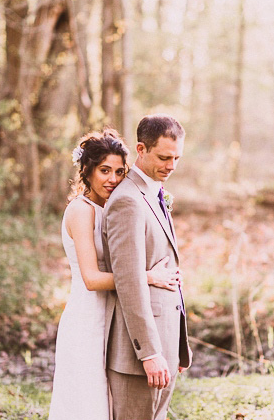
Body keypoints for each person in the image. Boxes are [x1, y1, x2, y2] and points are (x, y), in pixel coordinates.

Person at [48, 129, 180, 420]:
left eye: (120, 171)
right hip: (88, 319)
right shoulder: (81, 211)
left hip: (112, 318)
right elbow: (92, 279)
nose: (113, 179)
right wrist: (145, 277)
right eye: (104, 170)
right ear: (87, 171)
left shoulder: (115, 207)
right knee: (88, 406)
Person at [102, 115, 192, 420]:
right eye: (164, 157)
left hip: (164, 342)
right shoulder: (127, 201)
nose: (172, 165)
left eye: (177, 157)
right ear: (141, 149)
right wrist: (150, 352)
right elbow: (128, 281)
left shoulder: (153, 193)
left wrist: (175, 346)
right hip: (138, 354)